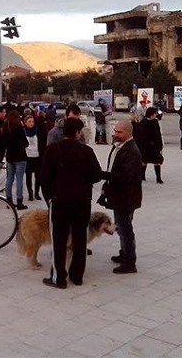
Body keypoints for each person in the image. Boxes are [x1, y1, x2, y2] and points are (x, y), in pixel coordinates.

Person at [40, 118, 102, 289]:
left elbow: (44, 178)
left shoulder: (52, 150)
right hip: (82, 201)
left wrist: (49, 198)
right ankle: (77, 275)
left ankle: (58, 277)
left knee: (58, 240)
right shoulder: (87, 151)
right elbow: (96, 175)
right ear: (77, 132)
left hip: (59, 201)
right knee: (80, 239)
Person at [99, 120, 143, 274]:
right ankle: (124, 253)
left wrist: (102, 174)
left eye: (119, 132)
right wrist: (106, 184)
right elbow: (113, 166)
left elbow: (125, 176)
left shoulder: (131, 151)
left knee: (125, 228)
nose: (115, 134)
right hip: (119, 195)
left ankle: (130, 262)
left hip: (126, 197)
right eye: (115, 131)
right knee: (121, 226)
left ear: (128, 133)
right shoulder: (119, 146)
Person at [3, 110, 29, 209]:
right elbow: (25, 143)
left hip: (10, 156)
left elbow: (4, 142)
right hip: (20, 156)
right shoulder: (19, 128)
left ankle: (8, 200)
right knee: (19, 179)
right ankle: (19, 201)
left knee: (9, 178)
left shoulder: (6, 128)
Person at [23, 114, 46, 202]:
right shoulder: (23, 132)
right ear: (25, 123)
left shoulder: (38, 131)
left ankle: (36, 192)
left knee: (38, 176)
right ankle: (30, 193)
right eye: (29, 122)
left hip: (37, 156)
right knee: (28, 176)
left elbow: (42, 143)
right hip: (28, 157)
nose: (31, 123)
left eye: (32, 121)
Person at [139, 106, 164, 184]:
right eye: (155, 113)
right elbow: (141, 135)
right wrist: (148, 142)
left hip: (155, 146)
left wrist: (160, 144)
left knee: (157, 161)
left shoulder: (155, 122)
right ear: (151, 114)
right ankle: (142, 176)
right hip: (146, 146)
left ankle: (158, 178)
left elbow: (158, 134)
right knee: (144, 161)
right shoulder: (143, 122)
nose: (156, 115)